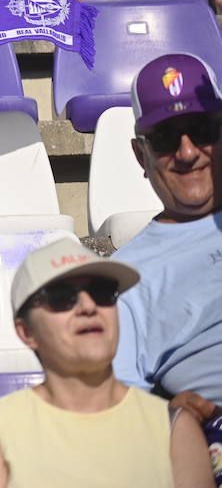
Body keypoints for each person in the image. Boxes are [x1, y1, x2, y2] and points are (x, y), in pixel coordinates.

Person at [0, 240, 212, 487]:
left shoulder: (174, 427)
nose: (88, 306)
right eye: (61, 297)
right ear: (26, 332)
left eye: (102, 293)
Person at [111, 53, 222, 424]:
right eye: (166, 138)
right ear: (141, 156)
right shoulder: (122, 278)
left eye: (203, 130)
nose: (188, 153)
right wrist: (170, 416)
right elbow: (118, 410)